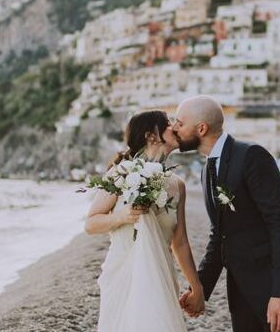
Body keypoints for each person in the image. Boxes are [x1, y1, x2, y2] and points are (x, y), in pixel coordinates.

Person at [173, 96, 280, 332]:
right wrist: (199, 289)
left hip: (276, 286)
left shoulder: (251, 156)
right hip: (241, 290)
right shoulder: (207, 169)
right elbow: (220, 234)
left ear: (201, 128)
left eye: (179, 123)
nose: (174, 128)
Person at [85, 110, 204, 331]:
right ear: (151, 136)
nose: (175, 127)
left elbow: (180, 243)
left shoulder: (177, 185)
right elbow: (91, 223)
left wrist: (196, 288)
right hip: (123, 272)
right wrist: (122, 216)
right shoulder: (121, 174)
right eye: (168, 124)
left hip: (160, 273)